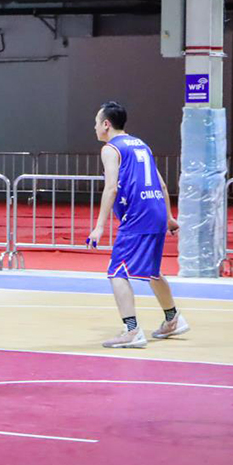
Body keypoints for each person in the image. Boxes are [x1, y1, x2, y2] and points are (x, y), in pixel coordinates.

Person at [86, 101, 187, 348]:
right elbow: (161, 184)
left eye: (96, 122)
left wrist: (99, 226)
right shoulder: (141, 144)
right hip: (156, 211)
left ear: (106, 124)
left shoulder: (111, 149)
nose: (94, 127)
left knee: (117, 272)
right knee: (152, 270)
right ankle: (173, 319)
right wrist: (169, 216)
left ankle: (131, 330)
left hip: (138, 215)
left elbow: (111, 188)